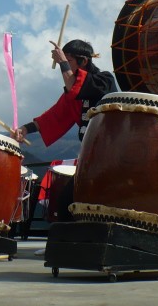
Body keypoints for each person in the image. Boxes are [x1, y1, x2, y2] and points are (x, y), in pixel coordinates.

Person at [12, 39, 117, 223]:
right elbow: (54, 116)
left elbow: (75, 86)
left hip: (111, 156)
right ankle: (65, 244)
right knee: (66, 205)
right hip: (90, 157)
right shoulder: (73, 93)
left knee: (94, 205)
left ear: (84, 61)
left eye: (69, 61)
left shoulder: (104, 81)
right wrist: (25, 129)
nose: (65, 66)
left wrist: (62, 62)